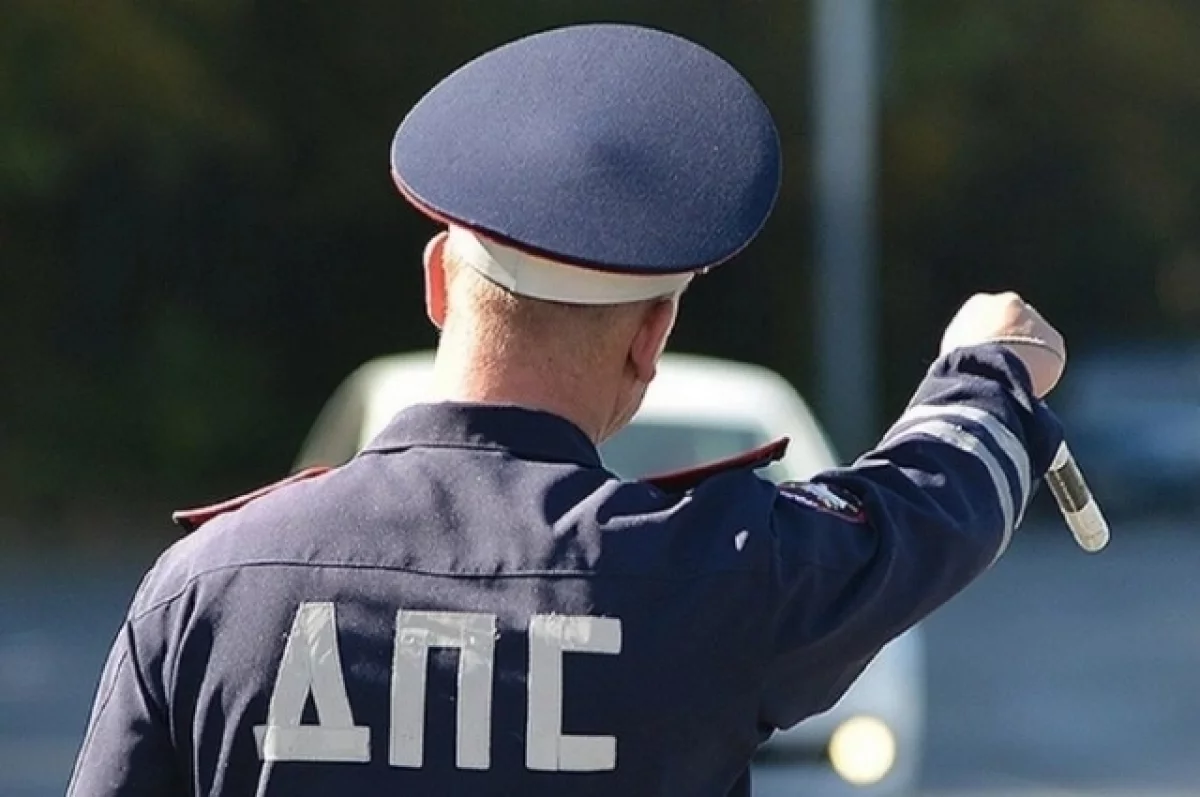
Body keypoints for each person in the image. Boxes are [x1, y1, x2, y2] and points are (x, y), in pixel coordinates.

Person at [66, 22, 1066, 797]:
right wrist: (987, 368)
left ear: (438, 281)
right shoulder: (709, 577)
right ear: (650, 335)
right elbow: (928, 509)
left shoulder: (208, 588)